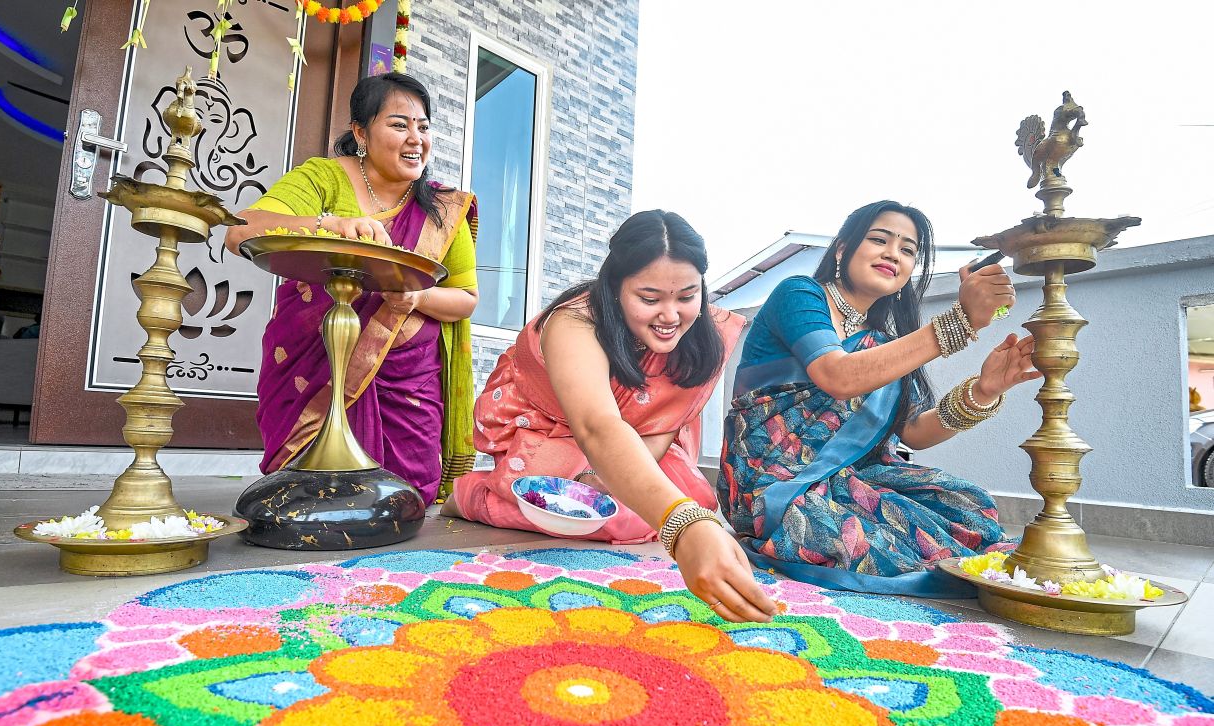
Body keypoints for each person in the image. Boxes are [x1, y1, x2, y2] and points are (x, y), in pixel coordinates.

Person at [447, 210, 777, 623]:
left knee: (660, 506)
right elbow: (596, 426)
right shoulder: (575, 323)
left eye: (687, 296)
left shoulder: (707, 335)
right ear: (615, 287)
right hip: (550, 432)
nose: (671, 316)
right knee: (592, 513)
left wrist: (612, 483)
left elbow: (662, 423)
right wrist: (683, 525)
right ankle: (475, 496)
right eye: (650, 299)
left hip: (628, 441)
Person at [719, 200, 1041, 596]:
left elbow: (914, 432)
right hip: (774, 483)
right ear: (842, 248)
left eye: (908, 250)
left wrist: (985, 390)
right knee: (858, 542)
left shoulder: (885, 344)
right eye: (879, 240)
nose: (894, 253)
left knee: (967, 506)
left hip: (849, 477)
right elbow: (838, 375)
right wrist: (959, 322)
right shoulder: (799, 295)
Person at [225, 73, 477, 504]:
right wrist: (331, 226)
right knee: (307, 495)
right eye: (399, 125)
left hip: (407, 377)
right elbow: (241, 230)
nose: (415, 138)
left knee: (403, 498)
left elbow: (466, 299)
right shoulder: (324, 180)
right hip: (314, 356)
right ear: (361, 132)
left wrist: (417, 297)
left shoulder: (441, 208)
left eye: (423, 126)